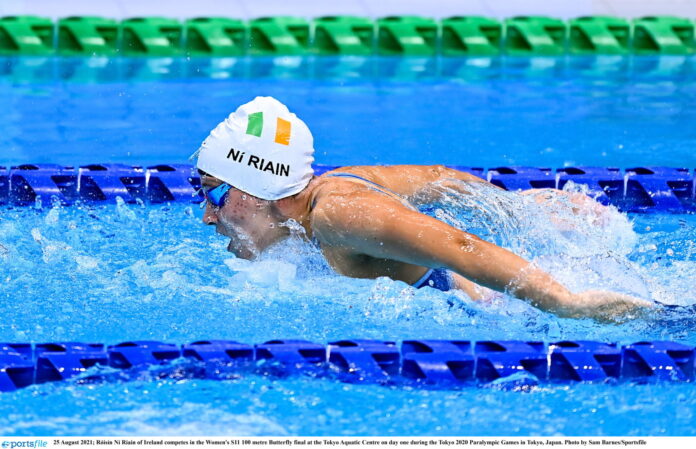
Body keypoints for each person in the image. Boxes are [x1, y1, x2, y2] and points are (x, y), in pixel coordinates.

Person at [194, 96, 651, 321]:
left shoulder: (339, 216)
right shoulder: (337, 184)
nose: (207, 216)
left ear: (260, 188)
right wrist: (515, 208)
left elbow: (459, 245)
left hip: (499, 312)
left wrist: (566, 303)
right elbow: (436, 177)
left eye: (214, 194)